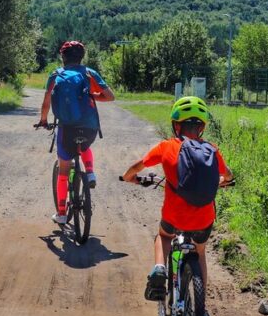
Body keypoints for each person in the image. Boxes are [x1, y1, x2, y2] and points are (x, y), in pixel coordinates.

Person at [121, 96, 233, 299]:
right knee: (200, 253)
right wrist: (220, 182)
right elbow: (229, 176)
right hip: (203, 220)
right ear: (202, 127)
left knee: (163, 237)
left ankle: (159, 268)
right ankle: (201, 305)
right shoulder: (213, 150)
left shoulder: (166, 147)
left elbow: (139, 165)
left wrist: (129, 177)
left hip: (174, 218)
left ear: (176, 125)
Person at [36, 40, 115, 225]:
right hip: (90, 127)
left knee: (64, 169)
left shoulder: (56, 74)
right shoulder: (89, 72)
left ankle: (62, 214)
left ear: (62, 57)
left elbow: (47, 101)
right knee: (84, 144)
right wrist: (91, 95)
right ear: (82, 57)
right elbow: (110, 97)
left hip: (66, 128)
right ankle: (90, 173)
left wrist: (43, 120)